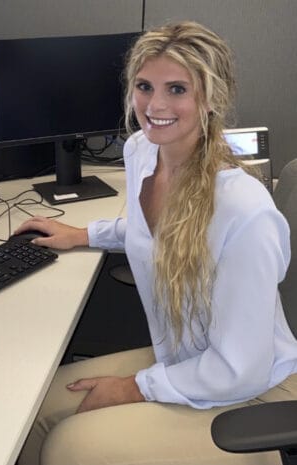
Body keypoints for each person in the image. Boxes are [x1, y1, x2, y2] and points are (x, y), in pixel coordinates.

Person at [17, 20, 297, 465]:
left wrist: (135, 387)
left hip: (253, 394)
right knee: (33, 411)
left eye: (178, 90)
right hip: (183, 360)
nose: (155, 105)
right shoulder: (141, 152)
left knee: (68, 447)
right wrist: (85, 234)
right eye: (145, 86)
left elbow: (239, 367)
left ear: (210, 99)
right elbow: (158, 233)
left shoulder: (244, 212)